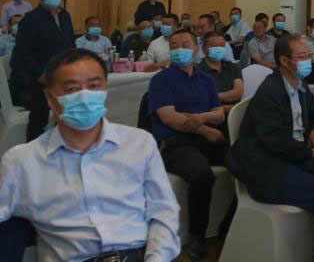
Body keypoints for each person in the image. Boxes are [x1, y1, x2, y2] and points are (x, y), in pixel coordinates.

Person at [0, 48, 181, 262]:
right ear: (50, 97)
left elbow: (163, 212)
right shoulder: (22, 161)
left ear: (105, 89)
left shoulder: (139, 143)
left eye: (94, 86)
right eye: (72, 89)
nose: (85, 96)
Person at [226, 33, 314, 262]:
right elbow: (274, 141)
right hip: (268, 167)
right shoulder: (269, 92)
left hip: (296, 157)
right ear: (284, 61)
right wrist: (310, 152)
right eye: (302, 57)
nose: (308, 61)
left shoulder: (299, 84)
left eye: (308, 55)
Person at [148, 29, 227, 261]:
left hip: (208, 139)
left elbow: (219, 114)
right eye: (174, 46)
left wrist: (201, 118)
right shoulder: (161, 80)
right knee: (202, 174)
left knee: (246, 161)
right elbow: (170, 118)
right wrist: (205, 128)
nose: (179, 50)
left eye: (184, 45)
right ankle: (197, 236)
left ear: (195, 49)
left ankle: (225, 229)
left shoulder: (205, 80)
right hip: (175, 143)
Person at [9, 0, 75, 141]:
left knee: (66, 116)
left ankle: (61, 148)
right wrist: (39, 74)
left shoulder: (65, 15)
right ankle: (33, 151)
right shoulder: (31, 19)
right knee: (39, 118)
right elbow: (24, 52)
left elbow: (70, 43)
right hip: (40, 77)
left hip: (63, 75)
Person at [197, 32, 243, 115]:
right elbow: (200, 100)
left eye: (221, 46)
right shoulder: (197, 71)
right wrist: (224, 108)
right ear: (204, 48)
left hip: (236, 113)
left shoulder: (233, 67)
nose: (218, 49)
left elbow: (238, 92)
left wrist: (212, 97)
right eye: (213, 46)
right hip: (210, 116)